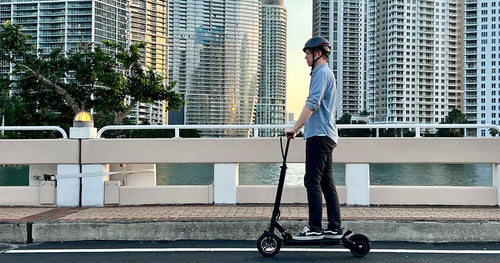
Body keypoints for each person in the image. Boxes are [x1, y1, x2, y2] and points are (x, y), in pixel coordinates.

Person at [284, 36, 341, 240]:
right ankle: (334, 227)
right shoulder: (325, 73)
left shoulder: (321, 73)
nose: (306, 57)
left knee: (312, 180)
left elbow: (313, 102)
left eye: (308, 53)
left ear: (318, 53)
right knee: (326, 182)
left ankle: (315, 227)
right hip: (326, 134)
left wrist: (295, 128)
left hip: (319, 136)